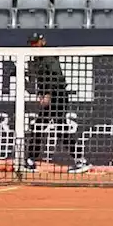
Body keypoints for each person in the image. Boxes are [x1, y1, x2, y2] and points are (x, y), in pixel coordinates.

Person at [20, 33, 90, 174]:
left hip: (58, 97)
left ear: (43, 42)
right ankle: (30, 160)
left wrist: (48, 94)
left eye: (36, 43)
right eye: (31, 43)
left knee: (60, 128)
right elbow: (42, 80)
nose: (33, 46)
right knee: (39, 127)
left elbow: (56, 78)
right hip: (51, 97)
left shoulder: (49, 57)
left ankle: (80, 161)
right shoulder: (37, 59)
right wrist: (41, 94)